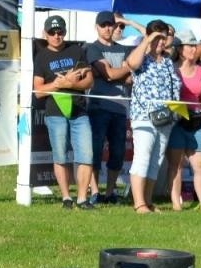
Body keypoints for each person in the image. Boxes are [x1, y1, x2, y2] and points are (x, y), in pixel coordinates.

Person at [32, 15, 94, 208]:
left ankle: (83, 198)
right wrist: (58, 85)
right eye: (52, 32)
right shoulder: (41, 57)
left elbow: (90, 80)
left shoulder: (76, 51)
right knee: (60, 155)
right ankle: (66, 197)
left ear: (65, 33)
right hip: (55, 112)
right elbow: (38, 91)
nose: (56, 36)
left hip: (79, 110)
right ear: (45, 34)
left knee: (86, 154)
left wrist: (72, 83)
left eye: (60, 32)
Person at [124, 20, 182, 213]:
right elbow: (131, 63)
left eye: (163, 38)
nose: (161, 42)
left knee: (156, 161)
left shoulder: (167, 61)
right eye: (157, 38)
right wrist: (146, 41)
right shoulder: (142, 57)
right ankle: (139, 203)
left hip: (166, 118)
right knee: (142, 158)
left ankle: (147, 201)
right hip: (143, 117)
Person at [84, 11, 134, 204]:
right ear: (96, 27)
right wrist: (123, 69)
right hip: (97, 107)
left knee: (118, 152)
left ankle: (110, 192)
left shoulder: (125, 49)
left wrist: (117, 72)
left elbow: (129, 78)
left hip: (120, 109)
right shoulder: (92, 49)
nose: (107, 28)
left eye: (110, 25)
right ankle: (95, 191)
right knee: (95, 151)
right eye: (103, 25)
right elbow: (110, 75)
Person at [166, 33, 201, 212]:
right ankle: (176, 203)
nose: (194, 49)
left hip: (197, 122)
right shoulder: (171, 69)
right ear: (180, 49)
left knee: (200, 166)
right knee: (176, 165)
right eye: (190, 45)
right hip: (177, 122)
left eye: (195, 45)